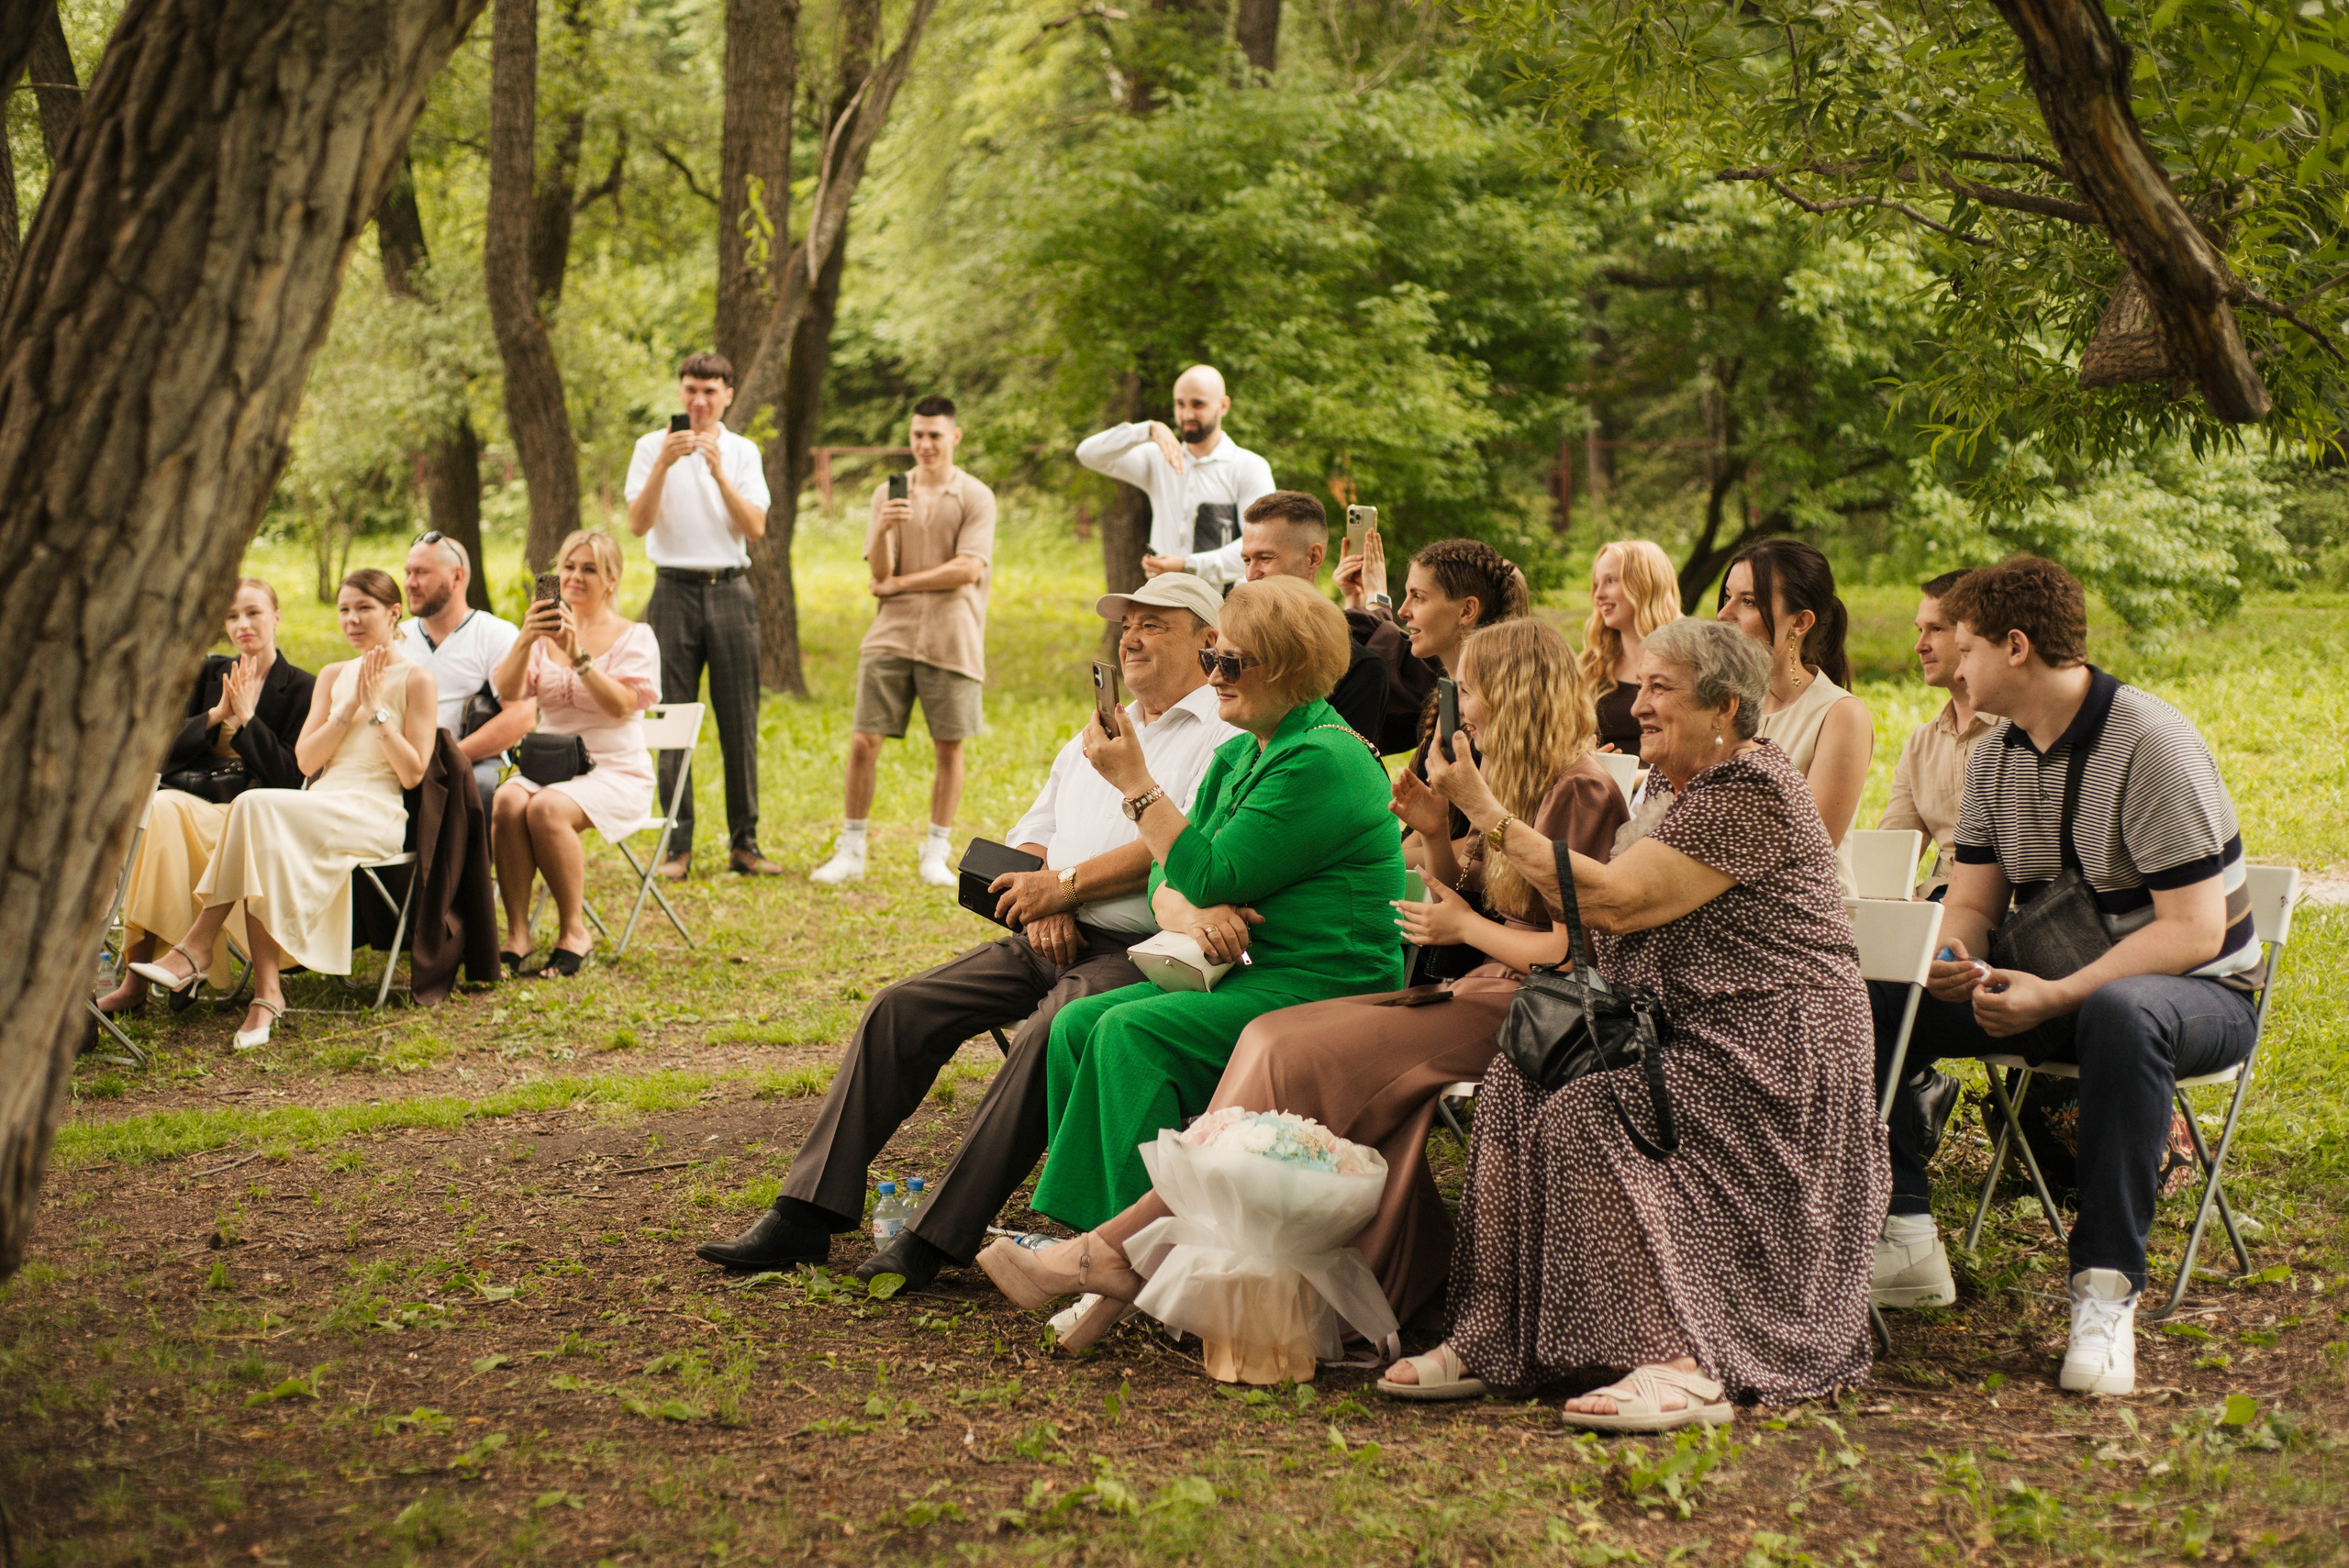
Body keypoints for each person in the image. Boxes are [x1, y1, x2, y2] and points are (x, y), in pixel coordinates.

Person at [1024, 618, 1629, 1351]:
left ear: (1513, 692)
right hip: (1471, 991)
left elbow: (1572, 945)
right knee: (1180, 1031)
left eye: (1468, 687)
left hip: (1531, 1004)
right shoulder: (1508, 778)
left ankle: (1134, 1250)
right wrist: (1438, 832)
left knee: (1275, 1042)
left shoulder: (1584, 786)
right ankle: (1130, 1254)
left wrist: (1467, 926)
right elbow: (1465, 892)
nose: (1457, 703)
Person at [1379, 617, 1883, 1426]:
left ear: (1724, 706)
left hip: (1769, 1047)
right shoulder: (1669, 783)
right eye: (1639, 685)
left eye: (1660, 689)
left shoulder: (1750, 790)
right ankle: (1491, 1338)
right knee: (1519, 1078)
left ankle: (1681, 1362)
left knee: (1591, 1111)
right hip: (1670, 1027)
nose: (1636, 704)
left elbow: (1615, 898)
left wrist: (1484, 805)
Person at [695, 574, 1236, 1282]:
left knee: (1048, 1030)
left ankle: (937, 1236)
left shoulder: (1221, 734)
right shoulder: (1100, 729)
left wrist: (1064, 889)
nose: (1130, 637)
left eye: (1153, 624)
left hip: (1142, 949)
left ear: (1206, 640)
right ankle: (806, 1212)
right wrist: (1053, 899)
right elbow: (1035, 830)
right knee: (902, 1008)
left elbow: (1175, 847)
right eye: (1126, 623)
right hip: (1054, 927)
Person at [1869, 557, 2263, 1398]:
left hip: (2200, 995)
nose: (1953, 663)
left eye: (1964, 645)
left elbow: (2194, 931)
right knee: (1877, 992)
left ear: (2016, 647)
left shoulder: (2152, 742)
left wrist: (2057, 994)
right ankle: (1903, 1232)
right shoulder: (1997, 759)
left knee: (2122, 1012)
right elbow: (1972, 903)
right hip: (2051, 987)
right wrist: (1948, 961)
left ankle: (2104, 1293)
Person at [973, 576, 1405, 1314]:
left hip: (1325, 981)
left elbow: (1205, 869)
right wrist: (1190, 910)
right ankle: (1115, 1250)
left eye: (1231, 663)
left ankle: (1122, 1260)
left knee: (1129, 1031)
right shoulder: (1245, 753)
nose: (1213, 676)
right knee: (1077, 1024)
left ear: (1290, 666)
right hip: (1246, 968)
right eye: (1213, 658)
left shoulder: (1323, 760)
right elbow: (1165, 887)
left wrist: (1139, 786)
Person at [128, 571, 438, 1051]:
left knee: (253, 807)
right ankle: (265, 994)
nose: (352, 620)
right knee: (257, 822)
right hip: (321, 801)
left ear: (394, 613)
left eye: (364, 609)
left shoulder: (417, 678)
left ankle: (198, 948)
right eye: (344, 610)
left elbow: (413, 773)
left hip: (374, 811)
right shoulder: (335, 676)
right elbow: (308, 761)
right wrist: (348, 704)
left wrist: (376, 710)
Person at [97, 580, 316, 1013]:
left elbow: (290, 776)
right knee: (158, 809)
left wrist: (249, 719)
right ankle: (137, 982)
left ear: (276, 616)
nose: (243, 625)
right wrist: (217, 715)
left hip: (253, 815)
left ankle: (168, 969)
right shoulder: (207, 676)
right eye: (233, 616)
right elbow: (157, 751)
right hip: (191, 803)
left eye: (253, 613)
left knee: (161, 816)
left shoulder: (301, 688)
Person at [810, 397, 998, 890]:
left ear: (954, 437)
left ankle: (935, 850)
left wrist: (901, 585)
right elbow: (880, 573)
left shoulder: (977, 496)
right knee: (863, 740)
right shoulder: (887, 494)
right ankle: (851, 848)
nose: (924, 444)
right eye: (917, 435)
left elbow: (968, 568)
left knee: (948, 747)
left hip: (952, 636)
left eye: (934, 435)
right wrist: (885, 527)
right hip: (890, 633)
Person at [625, 350, 776, 880]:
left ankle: (745, 844)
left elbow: (754, 527)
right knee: (671, 716)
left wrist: (716, 472)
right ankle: (676, 846)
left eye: (710, 391)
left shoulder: (741, 451)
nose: (699, 400)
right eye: (691, 389)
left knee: (739, 720)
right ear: (680, 391)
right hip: (671, 591)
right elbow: (638, 523)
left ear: (728, 395)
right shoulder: (650, 447)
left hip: (730, 589)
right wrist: (667, 463)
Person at [489, 529, 661, 977]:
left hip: (615, 770)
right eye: (568, 567)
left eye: (589, 569)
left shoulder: (635, 637)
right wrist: (527, 639)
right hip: (551, 765)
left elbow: (622, 705)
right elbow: (507, 691)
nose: (575, 577)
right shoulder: (544, 636)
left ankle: (573, 932)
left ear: (612, 579)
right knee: (507, 800)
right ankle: (517, 933)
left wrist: (578, 656)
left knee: (546, 807)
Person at [1715, 538, 1872, 892]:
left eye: (1748, 602)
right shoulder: (1722, 705)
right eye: (1728, 597)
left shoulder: (1841, 715)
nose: (1725, 615)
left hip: (1802, 915)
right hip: (1722, 898)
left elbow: (1806, 849)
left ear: (1800, 622)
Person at [1076, 365, 1275, 589]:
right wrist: (1148, 430)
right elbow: (1087, 454)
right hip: (1164, 604)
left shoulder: (1249, 467)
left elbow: (1262, 545)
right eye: (1180, 404)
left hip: (1221, 610)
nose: (1187, 414)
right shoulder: (1158, 459)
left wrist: (1187, 566)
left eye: (1198, 404)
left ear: (1223, 405)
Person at [1229, 491, 1388, 746]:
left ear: (1313, 557)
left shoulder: (1360, 669)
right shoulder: (1230, 646)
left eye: (1265, 558)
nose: (1251, 574)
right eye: (1247, 560)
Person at [396, 532, 536, 821]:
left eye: (421, 573)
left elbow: (521, 716)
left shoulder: (495, 634)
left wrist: (450, 756)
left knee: (482, 789)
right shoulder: (395, 638)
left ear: (457, 576)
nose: (410, 583)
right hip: (400, 757)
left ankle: (472, 869)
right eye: (408, 572)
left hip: (473, 760)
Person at [1878, 571, 1993, 896]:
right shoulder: (1921, 743)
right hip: (1935, 903)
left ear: (1974, 635)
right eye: (1919, 630)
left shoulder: (2021, 730)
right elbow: (1890, 856)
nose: (1919, 645)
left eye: (1937, 629)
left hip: (2009, 908)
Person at [1580, 539, 1681, 754]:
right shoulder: (1588, 667)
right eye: (1597, 584)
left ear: (1645, 585)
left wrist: (1633, 777)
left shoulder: (1690, 660)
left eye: (1611, 581)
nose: (1598, 595)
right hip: (1601, 786)